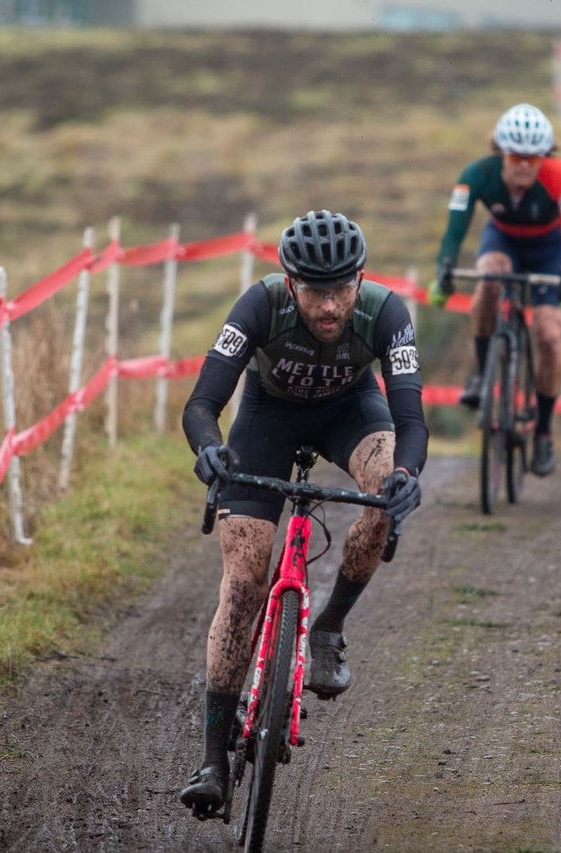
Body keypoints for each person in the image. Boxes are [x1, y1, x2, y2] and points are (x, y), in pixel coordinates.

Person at [178, 209, 428, 819]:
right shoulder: (258, 306)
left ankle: (329, 628)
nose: (329, 306)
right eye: (316, 290)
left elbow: (413, 421)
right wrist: (210, 450)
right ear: (291, 283)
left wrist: (404, 477)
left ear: (360, 278)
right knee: (242, 581)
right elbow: (203, 402)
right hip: (269, 417)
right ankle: (213, 760)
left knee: (381, 491)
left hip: (352, 412)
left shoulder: (387, 314)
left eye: (342, 288)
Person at [429, 103, 561, 477]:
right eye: (516, 156)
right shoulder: (477, 175)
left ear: (544, 156)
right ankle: (484, 375)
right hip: (503, 241)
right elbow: (455, 231)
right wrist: (444, 273)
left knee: (549, 335)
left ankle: (545, 431)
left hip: (549, 251)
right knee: (488, 279)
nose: (524, 166)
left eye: (533, 158)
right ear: (501, 152)